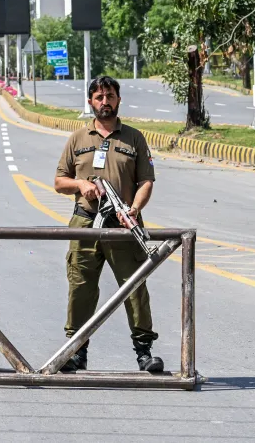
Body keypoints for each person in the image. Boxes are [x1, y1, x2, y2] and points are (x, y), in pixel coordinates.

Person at [54, 75, 162, 374]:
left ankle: (144, 352)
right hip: (86, 221)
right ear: (90, 101)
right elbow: (59, 182)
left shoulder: (134, 138)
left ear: (118, 99)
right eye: (99, 97)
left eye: (110, 96)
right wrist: (80, 185)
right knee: (81, 287)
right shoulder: (77, 139)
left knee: (134, 286)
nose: (105, 101)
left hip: (123, 225)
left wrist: (134, 209)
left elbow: (146, 181)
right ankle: (76, 350)